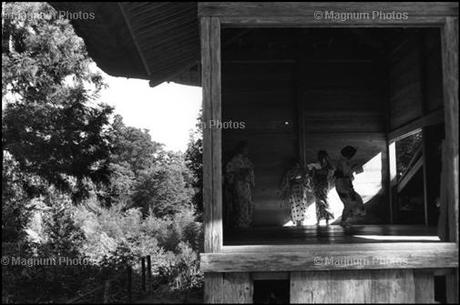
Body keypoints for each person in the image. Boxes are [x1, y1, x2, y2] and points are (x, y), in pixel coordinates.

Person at [224, 141, 255, 229]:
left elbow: (251, 170)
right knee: (240, 203)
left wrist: (248, 174)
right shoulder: (234, 160)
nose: (247, 151)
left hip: (246, 184)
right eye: (246, 149)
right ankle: (240, 224)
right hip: (238, 184)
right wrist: (239, 173)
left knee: (248, 203)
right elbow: (229, 172)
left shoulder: (247, 160)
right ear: (241, 149)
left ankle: (247, 222)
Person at [335, 145, 366, 229]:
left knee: (351, 202)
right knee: (350, 203)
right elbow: (344, 175)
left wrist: (352, 168)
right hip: (343, 185)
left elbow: (345, 173)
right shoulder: (343, 162)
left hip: (343, 184)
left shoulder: (344, 161)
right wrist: (348, 187)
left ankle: (344, 221)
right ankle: (344, 221)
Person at [281, 159, 311, 227]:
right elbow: (286, 181)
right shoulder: (289, 172)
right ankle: (296, 221)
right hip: (293, 190)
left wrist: (299, 181)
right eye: (294, 165)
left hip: (301, 190)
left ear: (299, 165)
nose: (296, 166)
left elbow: (306, 180)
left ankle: (301, 221)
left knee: (301, 204)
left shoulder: (302, 172)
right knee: (294, 205)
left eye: (297, 165)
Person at [311, 150, 335, 225]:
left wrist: (316, 171)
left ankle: (323, 218)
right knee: (322, 199)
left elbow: (314, 175)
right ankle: (324, 218)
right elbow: (330, 172)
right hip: (322, 183)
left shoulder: (322, 165)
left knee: (320, 200)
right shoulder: (324, 164)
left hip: (320, 184)